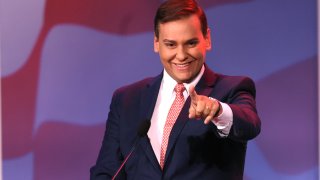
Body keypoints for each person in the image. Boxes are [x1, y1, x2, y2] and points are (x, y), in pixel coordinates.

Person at [90, 0, 261, 179]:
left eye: (191, 43)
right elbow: (107, 170)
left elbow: (249, 124)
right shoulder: (126, 99)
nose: (181, 55)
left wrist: (217, 110)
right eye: (171, 44)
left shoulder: (232, 88)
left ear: (207, 39)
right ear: (156, 43)